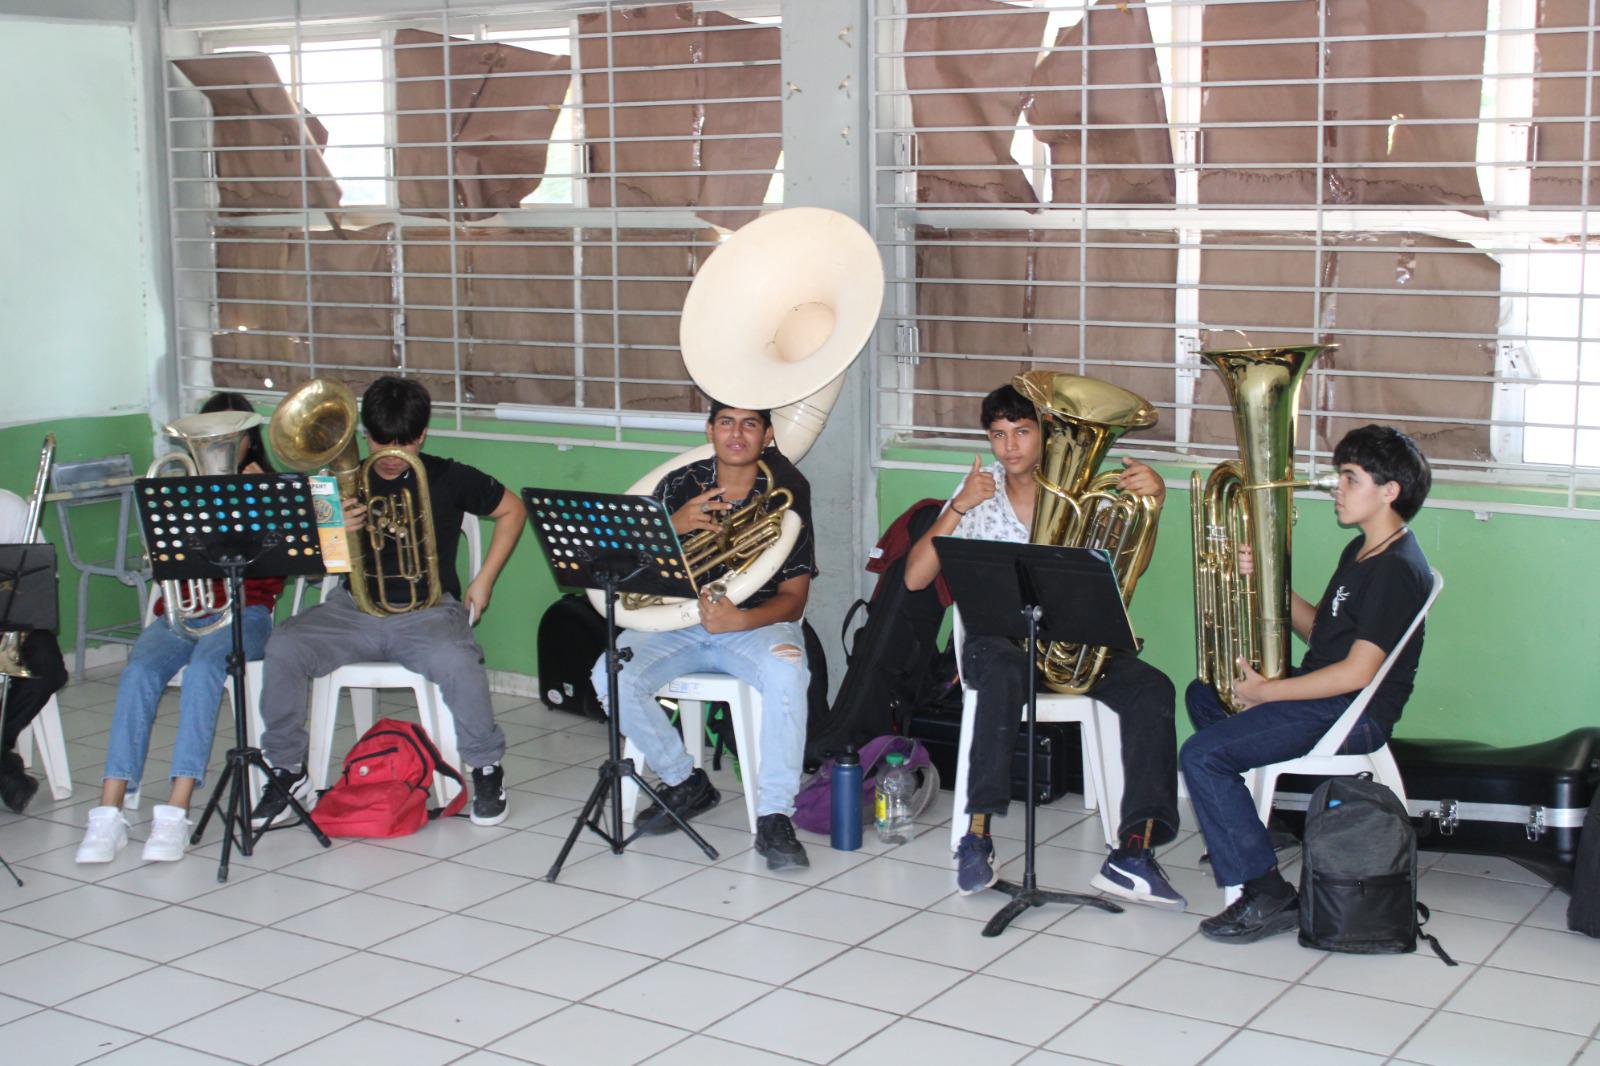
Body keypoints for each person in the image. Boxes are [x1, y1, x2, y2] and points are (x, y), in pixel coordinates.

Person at [904, 382, 1185, 906]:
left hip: (1075, 643)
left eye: (1023, 432)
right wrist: (958, 509)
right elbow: (917, 578)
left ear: (1046, 434)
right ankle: (978, 836)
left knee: (1153, 689)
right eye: (998, 434)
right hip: (999, 641)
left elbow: (1127, 572)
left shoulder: (1085, 493)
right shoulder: (979, 491)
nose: (1010, 447)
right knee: (1005, 674)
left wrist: (1156, 504)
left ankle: (1133, 850)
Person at [1181, 424, 1433, 944]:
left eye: (1349, 478)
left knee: (1201, 756)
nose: (1336, 489)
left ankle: (1266, 892)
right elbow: (1322, 631)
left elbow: (1359, 672)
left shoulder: (1395, 571)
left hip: (1352, 711)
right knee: (1206, 691)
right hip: (1329, 693)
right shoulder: (1364, 550)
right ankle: (1252, 825)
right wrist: (1268, 584)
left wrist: (1268, 693)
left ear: (1389, 492)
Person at [250, 375, 526, 829]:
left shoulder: (447, 475)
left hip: (429, 610)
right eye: (380, 442)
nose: (392, 456)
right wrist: (337, 531)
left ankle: (486, 768)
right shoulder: (337, 484)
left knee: (460, 663)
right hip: (353, 608)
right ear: (364, 435)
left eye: (404, 444)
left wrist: (485, 580)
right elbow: (316, 561)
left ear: (422, 435)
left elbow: (513, 510)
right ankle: (287, 770)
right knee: (283, 647)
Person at [591, 400, 818, 870]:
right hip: (679, 621)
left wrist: (740, 620)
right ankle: (684, 780)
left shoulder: (787, 495)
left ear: (768, 435)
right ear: (710, 430)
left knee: (788, 674)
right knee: (608, 675)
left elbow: (795, 598)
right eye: (726, 422)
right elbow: (632, 573)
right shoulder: (679, 485)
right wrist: (670, 529)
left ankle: (776, 814)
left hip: (756, 625)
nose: (737, 434)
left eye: (750, 424)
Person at [76, 392, 285, 863]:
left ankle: (177, 806)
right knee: (138, 672)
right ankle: (110, 810)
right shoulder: (181, 487)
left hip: (247, 613)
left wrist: (263, 500)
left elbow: (286, 566)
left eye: (230, 437)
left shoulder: (270, 487)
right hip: (183, 612)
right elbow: (170, 563)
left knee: (208, 669)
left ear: (249, 442)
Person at [0, 459, 69, 815]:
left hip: (12, 621)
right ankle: (4, 766)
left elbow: (42, 578)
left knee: (48, 670)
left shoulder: (8, 507)